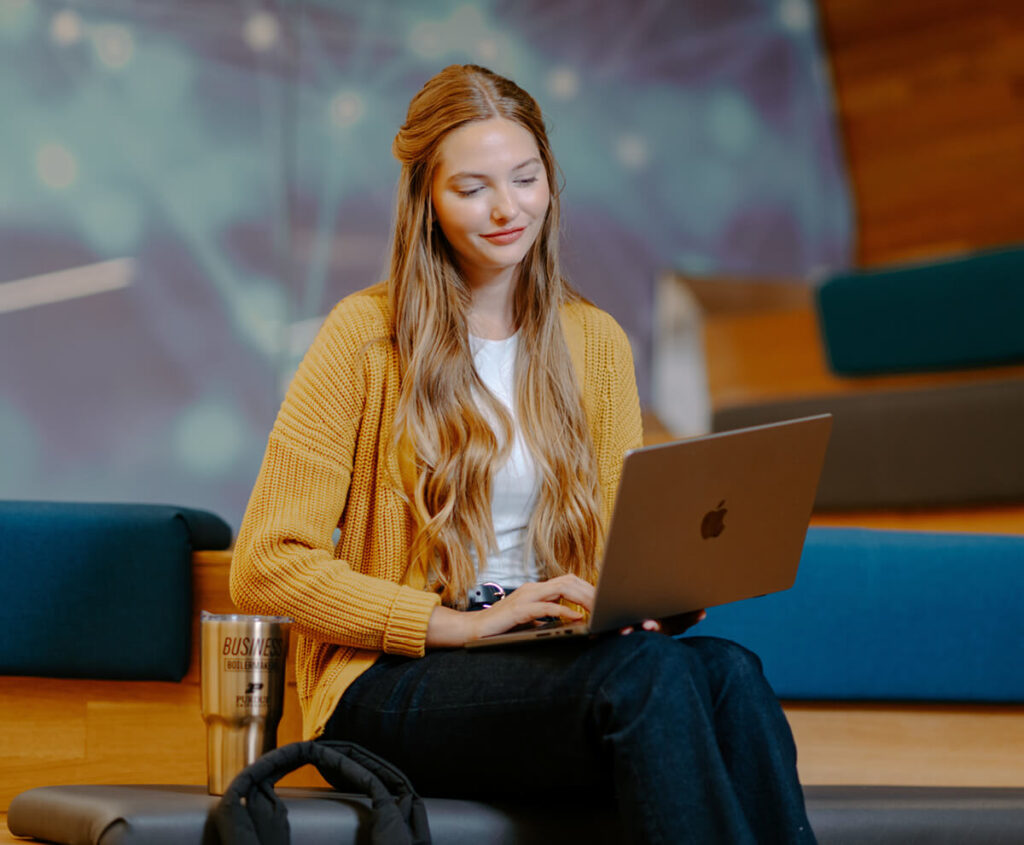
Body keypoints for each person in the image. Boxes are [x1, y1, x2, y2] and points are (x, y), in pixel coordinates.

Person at [230, 63, 816, 844]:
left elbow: (609, 543)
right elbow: (265, 562)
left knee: (729, 670)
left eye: (526, 178)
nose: (508, 209)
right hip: (387, 683)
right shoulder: (363, 339)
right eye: (472, 188)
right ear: (426, 203)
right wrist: (457, 626)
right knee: (649, 678)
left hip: (547, 657)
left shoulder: (594, 342)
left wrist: (650, 592)